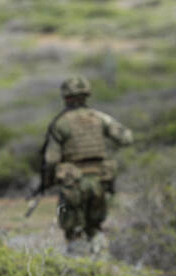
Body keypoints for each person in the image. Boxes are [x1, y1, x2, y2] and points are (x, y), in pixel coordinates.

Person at [42, 76, 133, 254]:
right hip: (100, 181)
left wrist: (48, 181)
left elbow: (51, 159)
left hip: (73, 184)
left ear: (66, 97)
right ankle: (102, 267)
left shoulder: (59, 123)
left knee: (74, 230)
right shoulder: (100, 118)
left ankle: (79, 271)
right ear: (86, 96)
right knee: (95, 228)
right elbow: (126, 138)